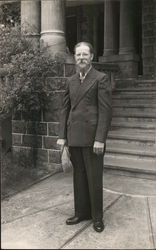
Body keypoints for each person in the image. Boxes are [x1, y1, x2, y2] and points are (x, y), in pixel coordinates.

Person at [57, 42, 112, 233]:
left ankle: (97, 217)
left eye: (84, 54)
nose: (81, 58)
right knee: (78, 177)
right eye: (78, 55)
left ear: (91, 56)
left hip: (92, 139)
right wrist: (62, 137)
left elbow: (105, 111)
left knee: (94, 178)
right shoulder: (70, 80)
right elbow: (65, 109)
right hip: (74, 137)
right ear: (74, 57)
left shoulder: (101, 78)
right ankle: (81, 212)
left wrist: (100, 139)